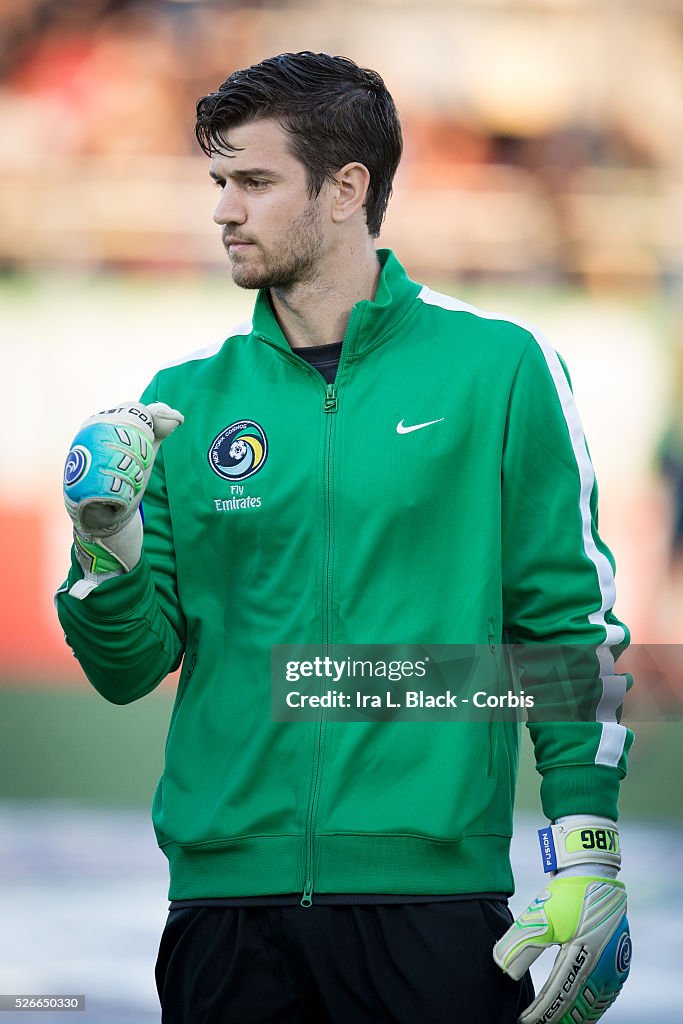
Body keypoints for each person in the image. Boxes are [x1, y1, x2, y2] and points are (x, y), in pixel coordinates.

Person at [56, 52, 632, 1024]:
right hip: (222, 912)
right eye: (217, 183)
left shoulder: (496, 367)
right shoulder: (180, 405)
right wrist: (102, 543)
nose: (222, 210)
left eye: (253, 180)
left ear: (344, 190)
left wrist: (585, 844)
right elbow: (128, 664)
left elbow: (562, 620)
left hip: (434, 910)